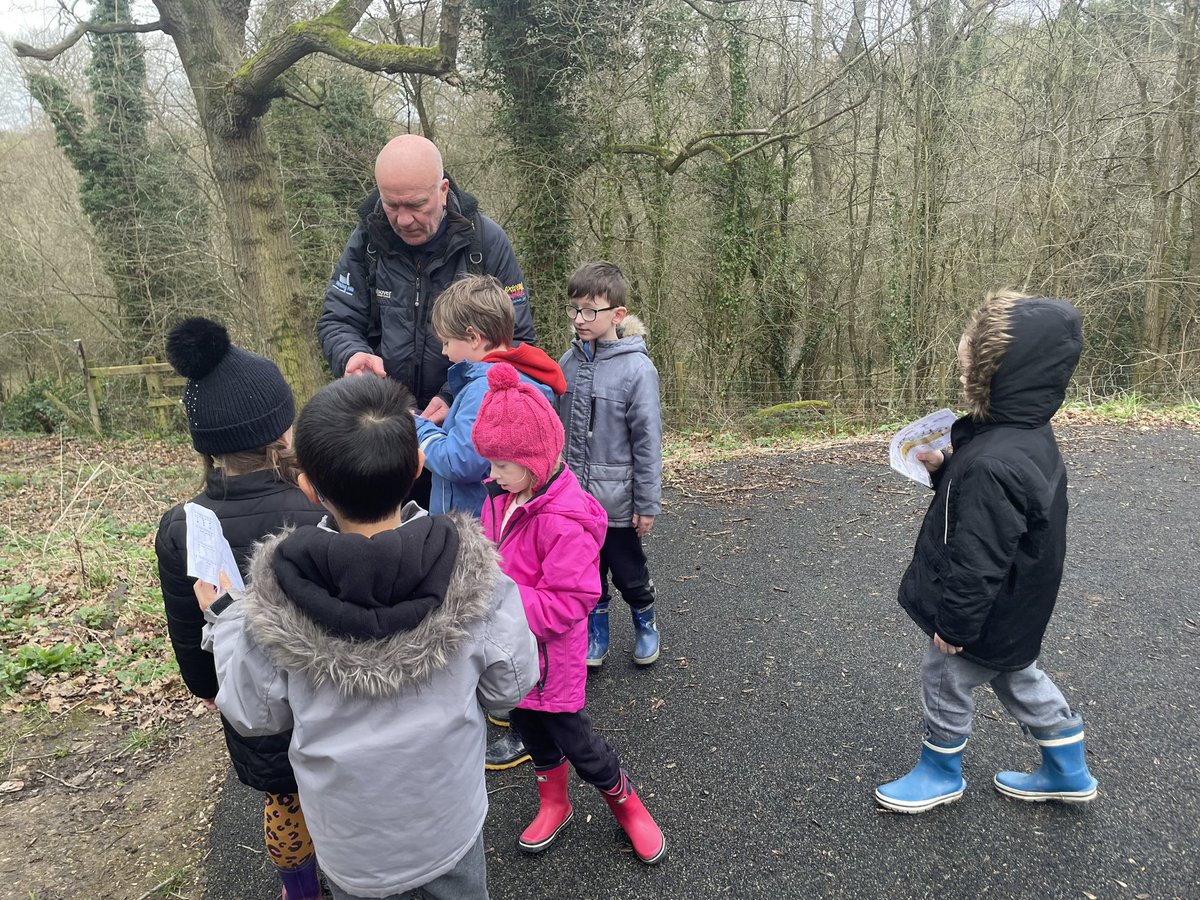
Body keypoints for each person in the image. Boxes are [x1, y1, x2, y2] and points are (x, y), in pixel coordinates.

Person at [196, 376, 538, 900]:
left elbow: (254, 713)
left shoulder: (273, 599)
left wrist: (224, 616)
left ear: (308, 486)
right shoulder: (474, 575)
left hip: (354, 847)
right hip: (449, 824)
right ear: (418, 468)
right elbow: (510, 684)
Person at [875, 290, 1099, 814]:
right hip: (1020, 603)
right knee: (1017, 673)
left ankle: (939, 772)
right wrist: (942, 470)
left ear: (1000, 374)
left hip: (983, 609)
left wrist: (954, 627)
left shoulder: (992, 462)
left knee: (944, 673)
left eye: (971, 366)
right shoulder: (1022, 435)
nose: (962, 375)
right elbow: (1004, 516)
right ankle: (1069, 768)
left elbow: (978, 559)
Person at [154, 317, 326, 900]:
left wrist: (206, 685)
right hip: (327, 691)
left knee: (283, 800)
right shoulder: (316, 509)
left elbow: (185, 622)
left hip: (250, 702)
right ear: (283, 430)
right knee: (338, 784)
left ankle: (300, 890)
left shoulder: (183, 527)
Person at [472, 363, 667, 864]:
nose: (490, 475)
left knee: (578, 742)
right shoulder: (502, 497)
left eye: (501, 464)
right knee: (532, 734)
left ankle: (625, 802)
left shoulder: (564, 519)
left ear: (536, 461)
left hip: (551, 661)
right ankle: (553, 802)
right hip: (512, 659)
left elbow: (571, 600)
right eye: (490, 463)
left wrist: (496, 600)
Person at [316, 132, 535, 433]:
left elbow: (517, 342)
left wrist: (454, 394)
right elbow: (337, 320)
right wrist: (352, 354)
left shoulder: (485, 243)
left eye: (416, 205)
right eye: (392, 205)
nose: (403, 220)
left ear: (443, 190)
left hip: (464, 428)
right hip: (384, 424)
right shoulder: (367, 241)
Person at [558, 262, 663, 667]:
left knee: (628, 571)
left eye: (590, 310)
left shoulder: (638, 370)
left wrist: (646, 503)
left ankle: (645, 621)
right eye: (574, 309)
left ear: (617, 315)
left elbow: (647, 443)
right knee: (587, 575)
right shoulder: (566, 363)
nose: (580, 319)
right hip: (574, 500)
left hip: (618, 504)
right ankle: (595, 631)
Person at [416, 274, 564, 517]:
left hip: (472, 525)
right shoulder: (522, 377)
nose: (444, 352)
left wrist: (417, 428)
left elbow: (460, 462)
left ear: (474, 337)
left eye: (446, 342)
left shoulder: (484, 389)